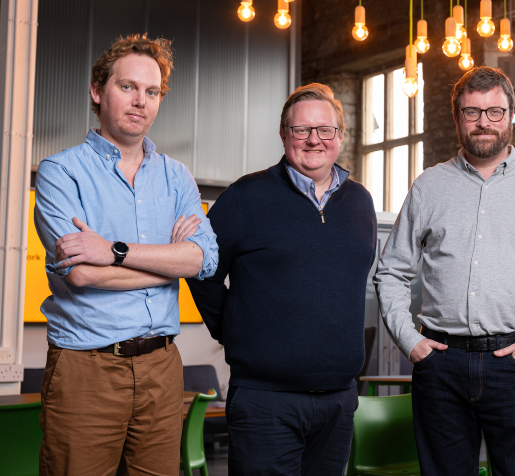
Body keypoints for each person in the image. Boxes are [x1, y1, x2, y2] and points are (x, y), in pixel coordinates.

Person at [373, 66, 515, 476]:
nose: (484, 122)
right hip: (440, 365)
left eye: (495, 112)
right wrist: (409, 340)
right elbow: (391, 272)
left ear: (511, 116)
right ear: (457, 118)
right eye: (472, 112)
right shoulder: (429, 186)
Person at [33, 34, 218, 476]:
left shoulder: (177, 177)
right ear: (98, 92)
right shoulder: (62, 173)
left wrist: (111, 251)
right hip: (86, 370)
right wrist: (167, 263)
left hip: (161, 369)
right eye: (128, 87)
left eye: (152, 91)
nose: (141, 102)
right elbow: (81, 276)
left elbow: (203, 261)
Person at [187, 83, 377, 476]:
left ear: (340, 136)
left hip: (339, 400)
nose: (314, 140)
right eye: (301, 130)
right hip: (264, 401)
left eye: (325, 130)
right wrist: (233, 329)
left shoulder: (360, 202)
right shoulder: (245, 197)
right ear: (284, 135)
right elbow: (201, 271)